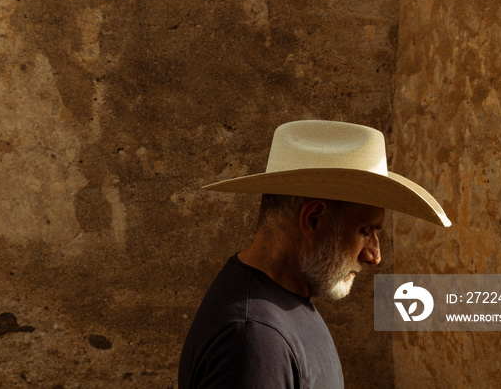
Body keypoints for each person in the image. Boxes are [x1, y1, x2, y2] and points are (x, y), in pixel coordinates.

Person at [178, 120, 451, 388]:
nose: (374, 256)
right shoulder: (255, 340)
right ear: (313, 220)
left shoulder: (283, 301)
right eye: (365, 230)